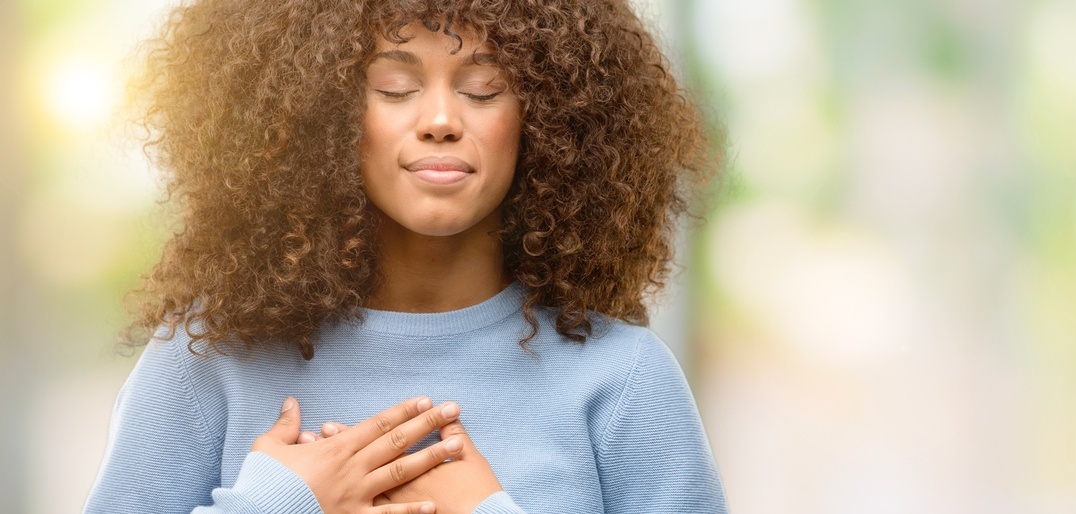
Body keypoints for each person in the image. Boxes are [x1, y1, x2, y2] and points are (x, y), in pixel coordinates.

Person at [84, 0, 726, 512]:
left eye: (484, 88)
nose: (440, 119)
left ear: (549, 118)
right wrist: (278, 505)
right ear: (319, 110)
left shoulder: (625, 378)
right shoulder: (206, 357)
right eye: (394, 87)